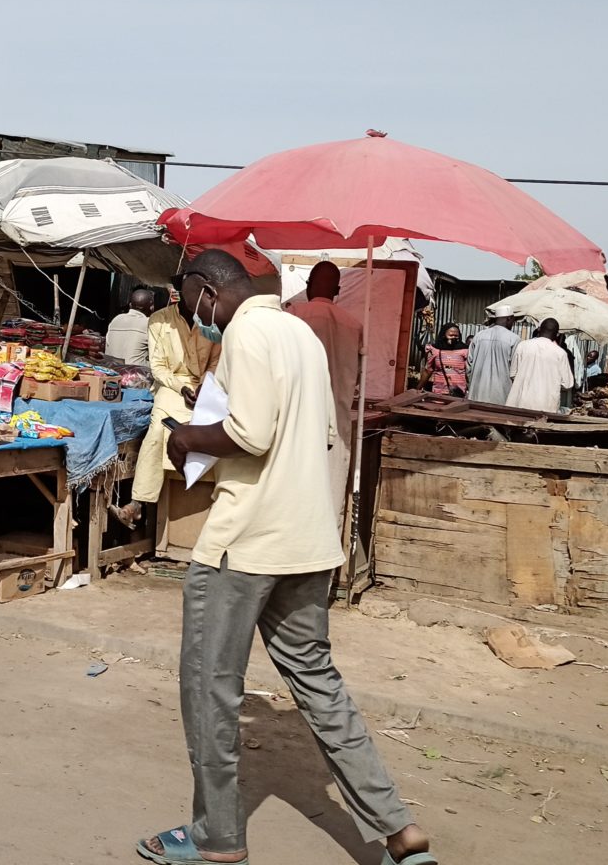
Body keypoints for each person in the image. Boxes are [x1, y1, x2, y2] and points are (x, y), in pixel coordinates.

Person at [137, 250, 434, 865]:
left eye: (187, 302)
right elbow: (306, 428)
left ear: (204, 289)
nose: (192, 317)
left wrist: (185, 436)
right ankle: (399, 830)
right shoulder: (298, 331)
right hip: (307, 538)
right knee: (319, 683)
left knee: (209, 687)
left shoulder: (245, 331)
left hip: (246, 542)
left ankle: (216, 836)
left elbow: (250, 432)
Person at [110, 284, 219, 530]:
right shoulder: (159, 321)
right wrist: (182, 388)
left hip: (206, 388)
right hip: (171, 387)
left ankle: (210, 512)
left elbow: (216, 361)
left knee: (217, 432)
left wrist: (205, 386)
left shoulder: (212, 323)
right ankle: (138, 503)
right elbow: (158, 367)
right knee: (158, 432)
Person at [288, 261, 366, 516]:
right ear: (338, 290)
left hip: (297, 418)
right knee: (330, 497)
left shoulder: (293, 316)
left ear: (309, 285)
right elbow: (359, 379)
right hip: (339, 419)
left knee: (292, 493)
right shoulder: (354, 325)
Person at [505, 317, 574, 413]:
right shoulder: (560, 353)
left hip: (520, 403)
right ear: (557, 334)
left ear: (539, 329)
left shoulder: (522, 346)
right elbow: (567, 384)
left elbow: (513, 374)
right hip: (545, 407)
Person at [465, 304, 521, 404]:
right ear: (509, 319)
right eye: (513, 320)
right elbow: (515, 371)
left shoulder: (479, 336)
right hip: (501, 396)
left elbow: (468, 366)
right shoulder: (514, 339)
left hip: (476, 394)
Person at [105, 286, 155, 367]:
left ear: (130, 305)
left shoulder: (116, 319)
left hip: (111, 370)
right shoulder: (150, 324)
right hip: (136, 374)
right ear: (152, 308)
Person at [419, 323, 470, 396]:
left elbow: (468, 372)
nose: (453, 337)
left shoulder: (465, 350)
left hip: (458, 393)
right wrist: (418, 388)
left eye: (456, 336)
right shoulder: (435, 350)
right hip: (439, 393)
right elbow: (428, 370)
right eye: (451, 335)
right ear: (443, 335)